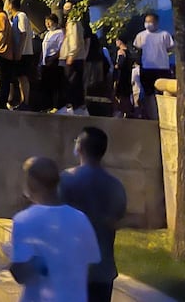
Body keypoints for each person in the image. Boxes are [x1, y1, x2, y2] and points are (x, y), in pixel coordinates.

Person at [9, 157, 100, 302]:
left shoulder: (24, 220)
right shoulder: (80, 218)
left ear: (31, 182)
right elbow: (91, 263)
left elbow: (20, 275)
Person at [59, 127, 127, 302]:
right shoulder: (115, 185)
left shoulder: (65, 180)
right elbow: (116, 219)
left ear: (80, 147)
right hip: (102, 270)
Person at [133, 13, 174, 119]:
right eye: (146, 21)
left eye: (150, 22)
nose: (148, 24)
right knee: (148, 94)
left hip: (162, 68)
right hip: (147, 67)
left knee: (164, 92)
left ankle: (165, 115)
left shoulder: (165, 34)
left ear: (156, 22)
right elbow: (137, 48)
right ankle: (153, 116)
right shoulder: (141, 35)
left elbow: (170, 48)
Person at [57, 1, 89, 116]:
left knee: (71, 82)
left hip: (72, 57)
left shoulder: (73, 22)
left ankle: (71, 106)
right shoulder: (73, 22)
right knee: (75, 82)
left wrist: (71, 54)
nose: (65, 11)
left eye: (68, 8)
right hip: (76, 57)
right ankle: (78, 107)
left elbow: (74, 41)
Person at [6, 0, 35, 110]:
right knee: (19, 78)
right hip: (17, 52)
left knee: (23, 77)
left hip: (24, 52)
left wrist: (19, 51)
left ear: (11, 5)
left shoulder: (21, 16)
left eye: (8, 4)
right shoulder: (13, 18)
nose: (7, 7)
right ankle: (19, 101)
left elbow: (23, 34)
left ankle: (25, 101)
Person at [40, 14, 64, 112]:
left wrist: (53, 58)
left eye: (49, 22)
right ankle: (46, 105)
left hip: (54, 63)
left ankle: (56, 106)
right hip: (45, 63)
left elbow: (61, 49)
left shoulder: (60, 33)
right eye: (46, 22)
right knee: (46, 86)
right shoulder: (47, 34)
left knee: (55, 86)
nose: (48, 24)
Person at [112, 38, 135, 117]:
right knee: (126, 94)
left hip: (121, 76)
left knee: (120, 94)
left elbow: (119, 64)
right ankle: (128, 111)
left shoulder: (121, 52)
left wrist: (115, 66)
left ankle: (121, 110)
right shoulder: (129, 52)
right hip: (128, 75)